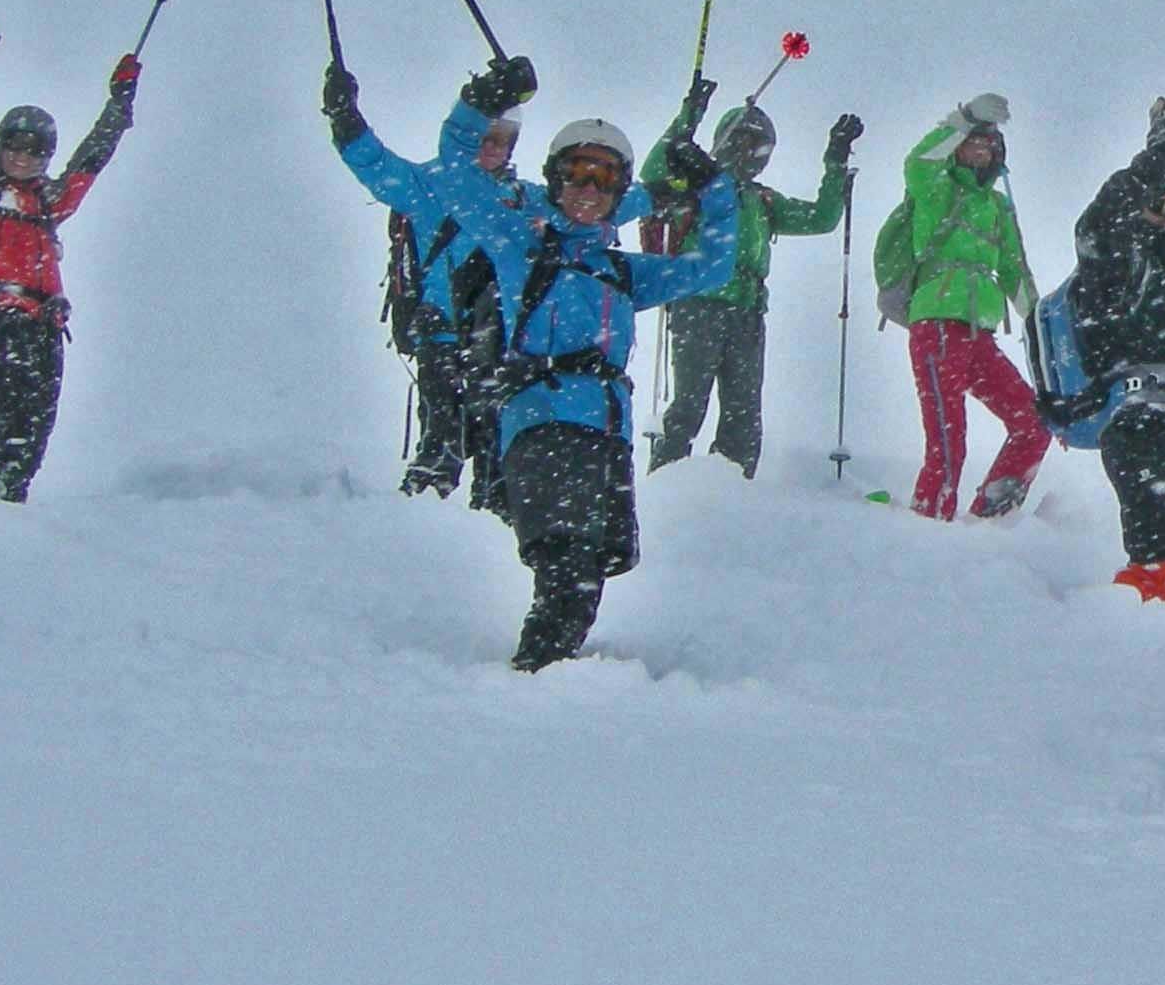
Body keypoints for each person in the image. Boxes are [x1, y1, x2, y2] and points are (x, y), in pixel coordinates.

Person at [330, 57, 731, 669]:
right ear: (554, 178)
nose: (588, 189)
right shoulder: (520, 243)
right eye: (576, 173)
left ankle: (545, 678)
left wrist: (712, 189)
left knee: (596, 563)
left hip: (606, 433)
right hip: (541, 421)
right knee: (566, 563)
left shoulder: (621, 271)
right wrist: (477, 102)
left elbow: (712, 266)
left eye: (603, 178)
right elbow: (454, 172)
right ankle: (532, 684)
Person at [0, 4, 137, 502]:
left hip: (42, 327)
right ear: (1, 148)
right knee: (14, 423)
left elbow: (91, 159)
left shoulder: (49, 202)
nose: (23, 158)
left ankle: (1, 502)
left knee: (36, 428)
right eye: (14, 148)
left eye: (34, 152)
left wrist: (120, 103)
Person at [641, 76, 860, 479]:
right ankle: (667, 486)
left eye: (755, 147)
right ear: (723, 142)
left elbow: (822, 218)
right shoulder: (695, 188)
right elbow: (654, 169)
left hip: (747, 313)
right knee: (689, 405)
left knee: (743, 413)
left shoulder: (763, 200)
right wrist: (689, 115)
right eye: (740, 142)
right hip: (699, 304)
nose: (747, 153)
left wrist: (835, 162)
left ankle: (732, 492)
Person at [344, 69, 526, 506]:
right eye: (486, 136)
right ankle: (421, 518)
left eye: (501, 138)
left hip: (502, 344)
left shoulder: (522, 200)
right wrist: (344, 120)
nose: (492, 146)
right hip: (443, 334)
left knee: (496, 447)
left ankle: (487, 515)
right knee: (443, 438)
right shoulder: (430, 185)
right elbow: (375, 166)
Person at [1068, 100, 1165, 600]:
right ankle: (1143, 623)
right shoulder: (1120, 259)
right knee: (1162, 538)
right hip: (1136, 416)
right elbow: (1103, 218)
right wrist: (1155, 154)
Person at [885, 95, 1049, 520]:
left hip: (980, 332)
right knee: (948, 436)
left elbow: (1015, 269)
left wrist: (1043, 328)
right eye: (971, 143)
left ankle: (990, 519)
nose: (980, 150)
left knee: (1033, 422)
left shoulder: (997, 206)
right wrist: (962, 120)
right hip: (937, 323)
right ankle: (929, 522)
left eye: (987, 144)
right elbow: (919, 161)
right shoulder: (938, 188)